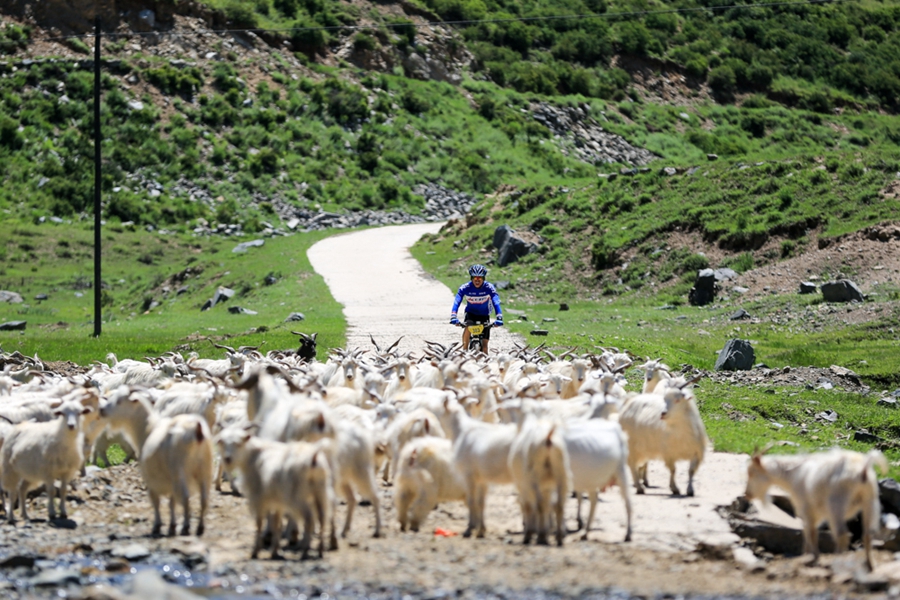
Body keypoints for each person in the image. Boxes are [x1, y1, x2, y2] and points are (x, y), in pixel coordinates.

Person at [449, 264, 503, 354]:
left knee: (485, 348)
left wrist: (499, 317)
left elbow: (496, 302)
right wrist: (453, 316)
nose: (477, 280)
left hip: (484, 315)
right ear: (471, 278)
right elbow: (457, 301)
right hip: (471, 314)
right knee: (467, 327)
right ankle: (465, 351)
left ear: (484, 278)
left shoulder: (489, 287)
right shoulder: (465, 288)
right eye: (474, 278)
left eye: (480, 278)